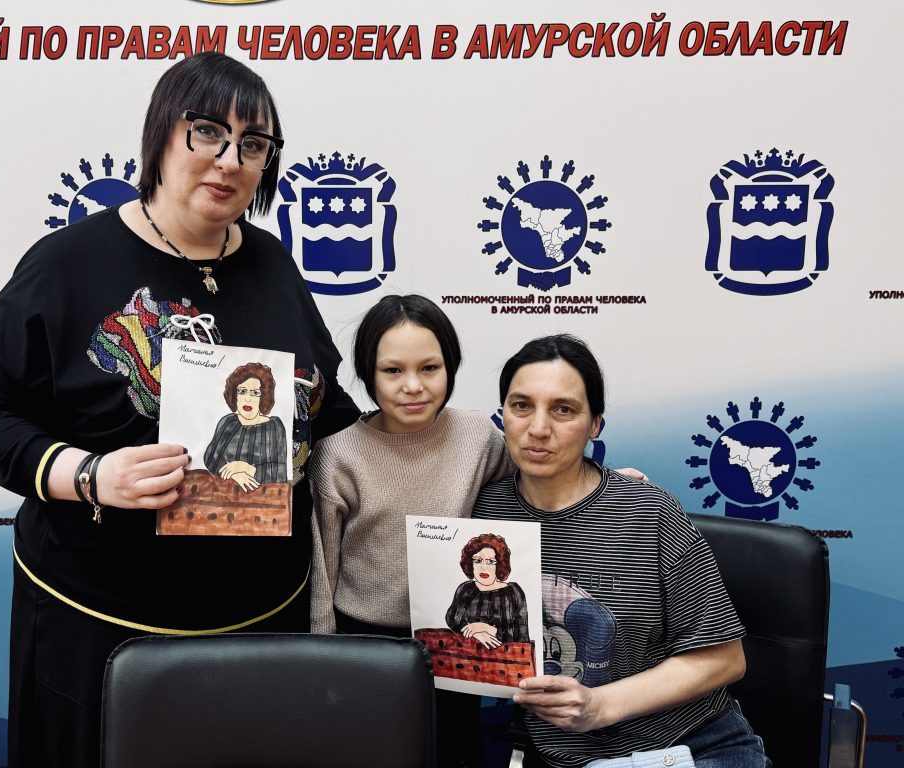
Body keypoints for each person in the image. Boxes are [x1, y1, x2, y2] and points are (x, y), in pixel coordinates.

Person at [0, 52, 357, 768]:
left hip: (261, 624)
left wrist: (461, 452)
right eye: (208, 132)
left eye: (253, 144)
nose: (229, 160)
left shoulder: (272, 262)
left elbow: (325, 410)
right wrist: (91, 475)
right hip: (103, 628)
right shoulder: (67, 263)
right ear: (160, 134)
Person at [472, 335, 769, 768]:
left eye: (563, 410)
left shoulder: (649, 511)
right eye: (521, 406)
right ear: (502, 415)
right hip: (562, 757)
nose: (538, 428)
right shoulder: (484, 515)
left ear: (595, 425)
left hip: (686, 745)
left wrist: (599, 705)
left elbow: (724, 659)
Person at [309, 293, 512, 768]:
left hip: (455, 637)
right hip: (364, 642)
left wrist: (600, 483)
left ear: (450, 367)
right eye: (393, 370)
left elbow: (530, 491)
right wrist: (323, 657)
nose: (413, 386)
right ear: (368, 374)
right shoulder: (337, 454)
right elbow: (322, 564)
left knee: (455, 752)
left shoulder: (479, 437)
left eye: (430, 368)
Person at [204, 361, 288, 489]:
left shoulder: (274, 427)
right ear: (235, 395)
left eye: (255, 393)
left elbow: (279, 473)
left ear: (263, 397)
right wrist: (234, 474)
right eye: (242, 391)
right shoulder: (228, 422)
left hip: (263, 497)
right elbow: (210, 460)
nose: (248, 399)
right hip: (225, 494)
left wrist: (246, 468)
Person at [446, 533, 530, 648]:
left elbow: (521, 636)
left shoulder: (514, 592)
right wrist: (474, 634)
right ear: (471, 564)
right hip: (467, 654)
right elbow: (452, 621)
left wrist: (486, 628)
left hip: (505, 657)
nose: (484, 567)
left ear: (499, 564)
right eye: (478, 561)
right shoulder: (465, 589)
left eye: (490, 562)